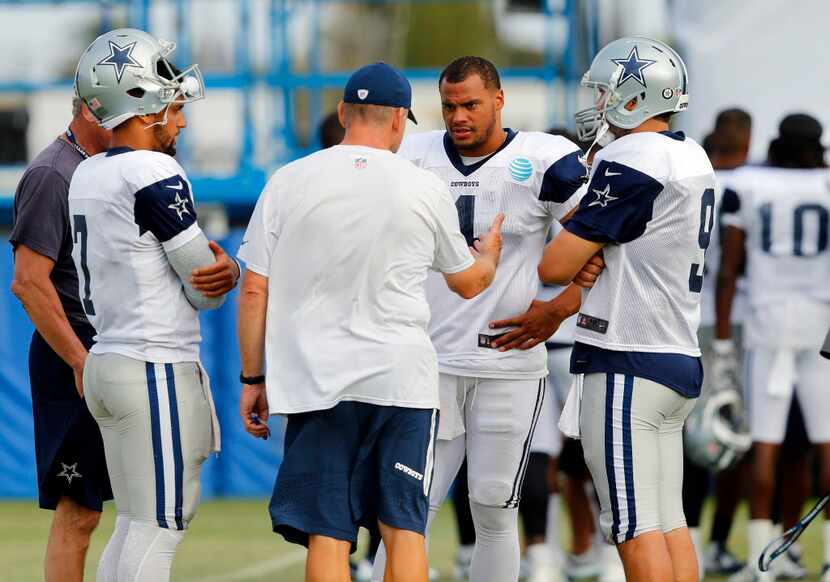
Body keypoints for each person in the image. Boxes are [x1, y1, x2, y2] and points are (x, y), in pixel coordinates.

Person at [236, 61, 504, 582]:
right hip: (401, 380)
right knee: (403, 525)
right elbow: (468, 283)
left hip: (317, 381)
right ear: (401, 120)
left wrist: (252, 378)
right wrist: (490, 253)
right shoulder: (423, 186)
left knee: (328, 531)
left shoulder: (289, 180)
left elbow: (254, 289)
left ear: (341, 113)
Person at [372, 55, 599, 582]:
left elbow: (601, 239)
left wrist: (558, 309)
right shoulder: (411, 152)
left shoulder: (544, 158)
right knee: (412, 508)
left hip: (509, 361)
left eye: (470, 104)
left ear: (499, 100)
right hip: (427, 361)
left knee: (496, 506)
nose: (458, 117)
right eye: (449, 106)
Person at [541, 36, 715, 582]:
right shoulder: (690, 152)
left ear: (631, 98)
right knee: (667, 522)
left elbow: (554, 265)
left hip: (628, 358)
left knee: (633, 527)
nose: (596, 106)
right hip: (675, 357)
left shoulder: (634, 157)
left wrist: (585, 249)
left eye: (603, 93)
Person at [69, 28, 240, 581]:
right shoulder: (153, 171)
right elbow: (202, 287)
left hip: (109, 361)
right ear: (141, 106)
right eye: (172, 103)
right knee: (157, 528)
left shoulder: (88, 171)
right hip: (153, 365)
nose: (181, 118)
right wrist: (228, 269)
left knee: (134, 524)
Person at [716, 113, 830, 582]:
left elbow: (729, 268)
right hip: (822, 322)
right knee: (826, 443)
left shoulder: (748, 182)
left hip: (766, 319)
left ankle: (761, 556)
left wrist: (723, 339)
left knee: (764, 442)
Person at [10, 95, 112, 582]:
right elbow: (29, 281)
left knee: (145, 506)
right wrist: (78, 359)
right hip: (73, 352)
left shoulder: (110, 166)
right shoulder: (54, 173)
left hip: (113, 349)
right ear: (92, 109)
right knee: (79, 511)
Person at [683, 108, 753, 579]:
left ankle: (687, 541)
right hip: (735, 324)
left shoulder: (688, 180)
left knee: (685, 435)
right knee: (731, 435)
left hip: (684, 320)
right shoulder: (751, 185)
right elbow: (732, 267)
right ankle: (718, 543)